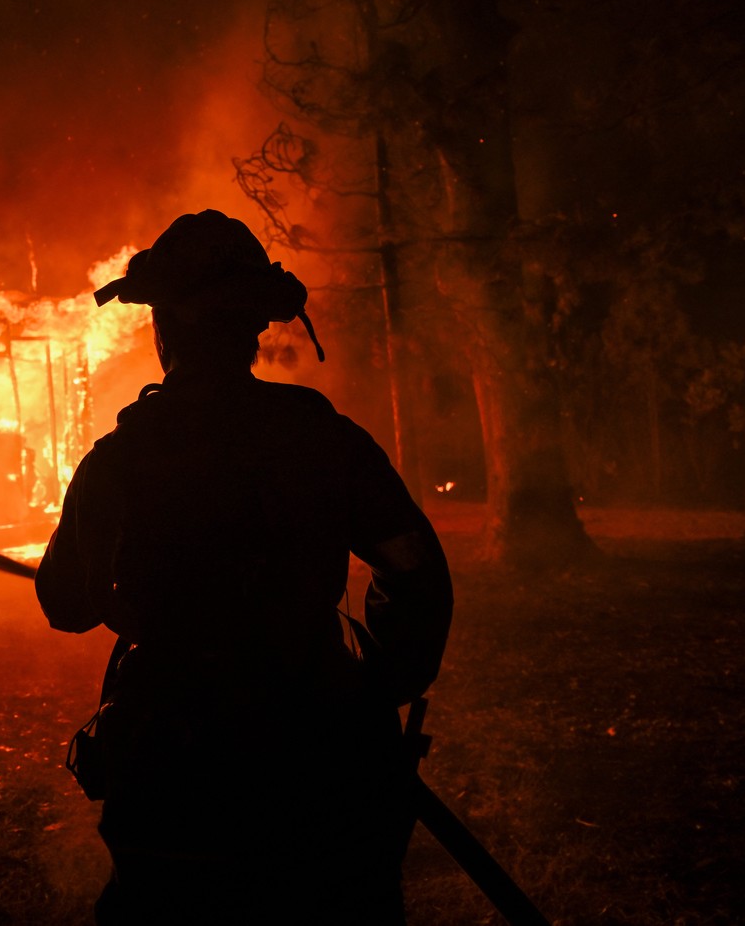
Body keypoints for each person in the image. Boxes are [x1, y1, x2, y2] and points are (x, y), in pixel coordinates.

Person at [35, 210, 453, 925]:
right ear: (254, 328)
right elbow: (412, 569)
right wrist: (376, 685)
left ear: (165, 330)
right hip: (316, 756)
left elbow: (66, 603)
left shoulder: (121, 458)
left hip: (171, 775)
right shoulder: (323, 441)